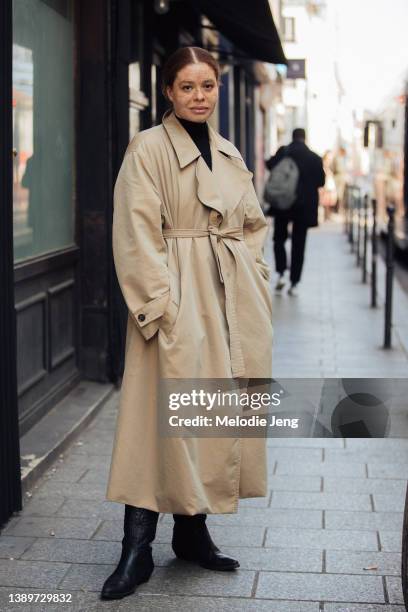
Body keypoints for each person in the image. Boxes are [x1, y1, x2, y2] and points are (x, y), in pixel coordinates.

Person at [101, 46, 273, 600]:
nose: (200, 96)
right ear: (168, 93)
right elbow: (135, 231)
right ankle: (136, 548)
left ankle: (193, 534)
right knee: (154, 421)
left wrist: (255, 276)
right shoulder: (148, 149)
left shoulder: (228, 152)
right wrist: (160, 305)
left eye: (208, 85)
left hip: (227, 297)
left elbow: (251, 222)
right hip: (175, 295)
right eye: (188, 87)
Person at [265, 128, 325, 295]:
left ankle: (281, 273)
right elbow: (321, 181)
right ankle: (294, 283)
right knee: (299, 244)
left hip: (282, 204)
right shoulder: (314, 158)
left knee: (279, 239)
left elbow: (269, 165)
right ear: (305, 138)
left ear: (292, 137)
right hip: (303, 207)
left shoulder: (284, 151)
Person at [320, 150, 337, 221]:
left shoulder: (330, 165)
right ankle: (326, 216)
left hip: (330, 185)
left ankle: (328, 216)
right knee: (326, 201)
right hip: (326, 184)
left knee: (329, 201)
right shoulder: (324, 165)